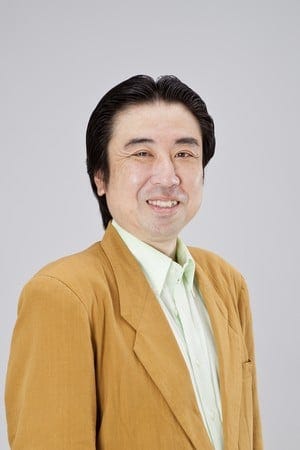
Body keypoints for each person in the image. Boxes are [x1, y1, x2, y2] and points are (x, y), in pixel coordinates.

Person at [5, 75, 263, 450]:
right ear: (100, 177)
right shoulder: (63, 296)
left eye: (184, 153)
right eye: (142, 153)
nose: (168, 175)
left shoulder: (227, 283)